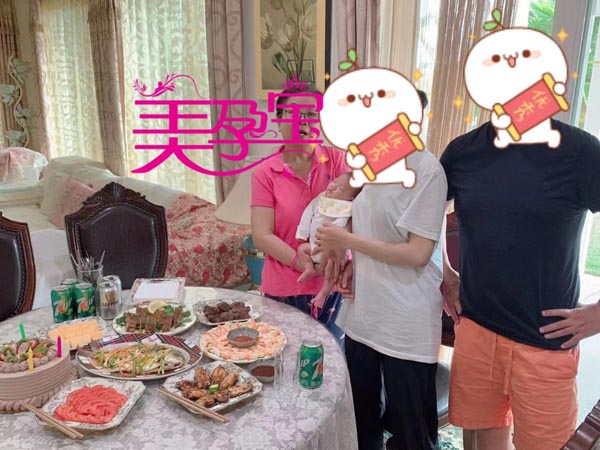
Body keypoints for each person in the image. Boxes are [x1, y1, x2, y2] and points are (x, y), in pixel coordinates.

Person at [440, 119, 600, 450]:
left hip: (545, 340)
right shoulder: (463, 151)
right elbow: (426, 213)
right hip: (477, 330)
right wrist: (445, 272)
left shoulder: (580, 151)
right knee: (482, 439)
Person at [315, 91, 447, 450]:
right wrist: (350, 261)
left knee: (412, 434)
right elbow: (365, 222)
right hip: (364, 315)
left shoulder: (427, 170)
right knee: (361, 423)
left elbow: (418, 253)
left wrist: (348, 241)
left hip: (405, 322)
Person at [251, 87, 349, 338]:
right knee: (284, 354)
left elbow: (356, 213)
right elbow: (262, 235)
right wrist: (299, 261)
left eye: (311, 114)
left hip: (333, 284)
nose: (303, 120)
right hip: (283, 287)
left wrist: (342, 249)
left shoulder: (338, 161)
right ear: (279, 119)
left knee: (333, 355)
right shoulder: (265, 173)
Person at [295, 172, 360, 313]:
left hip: (331, 247)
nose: (334, 186)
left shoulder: (346, 207)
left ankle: (323, 293)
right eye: (334, 182)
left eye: (341, 189)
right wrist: (302, 233)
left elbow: (341, 224)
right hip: (313, 246)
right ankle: (309, 268)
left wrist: (334, 241)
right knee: (302, 249)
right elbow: (308, 213)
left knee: (333, 269)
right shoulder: (321, 198)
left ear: (350, 198)